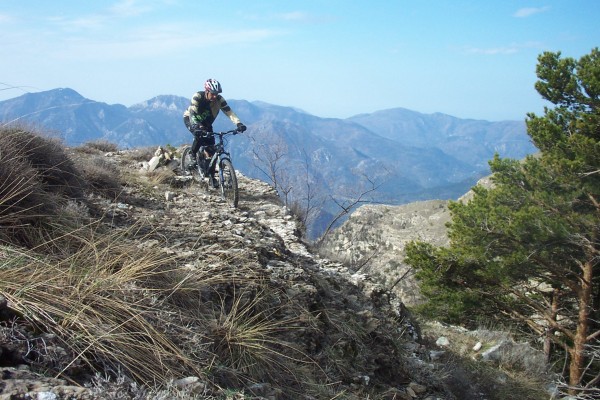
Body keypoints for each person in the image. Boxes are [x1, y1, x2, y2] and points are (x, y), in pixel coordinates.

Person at [182, 79, 246, 175]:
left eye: (217, 93)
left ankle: (211, 177)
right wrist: (197, 127)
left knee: (211, 149)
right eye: (213, 93)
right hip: (191, 119)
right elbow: (193, 113)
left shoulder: (219, 99)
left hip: (207, 124)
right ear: (207, 91)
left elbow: (229, 112)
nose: (215, 96)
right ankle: (192, 154)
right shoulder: (198, 97)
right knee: (199, 136)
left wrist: (238, 123)